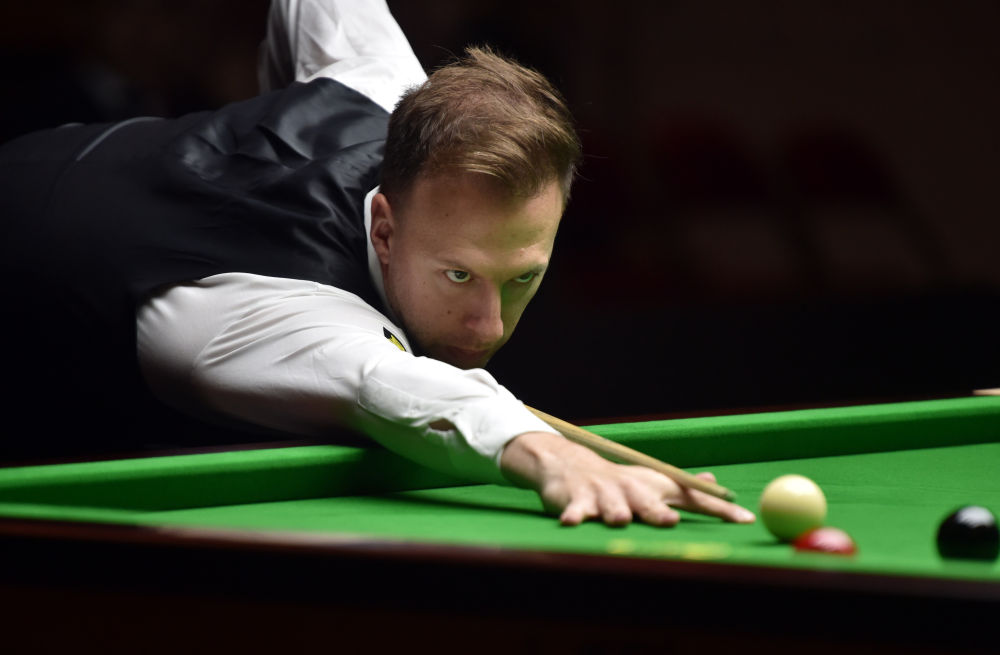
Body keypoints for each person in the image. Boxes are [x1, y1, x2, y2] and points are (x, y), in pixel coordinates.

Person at [0, 0, 755, 527]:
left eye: (523, 278)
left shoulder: (383, 88)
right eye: (458, 275)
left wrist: (273, 117)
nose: (488, 326)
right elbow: (381, 383)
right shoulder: (266, 307)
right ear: (385, 231)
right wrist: (539, 450)